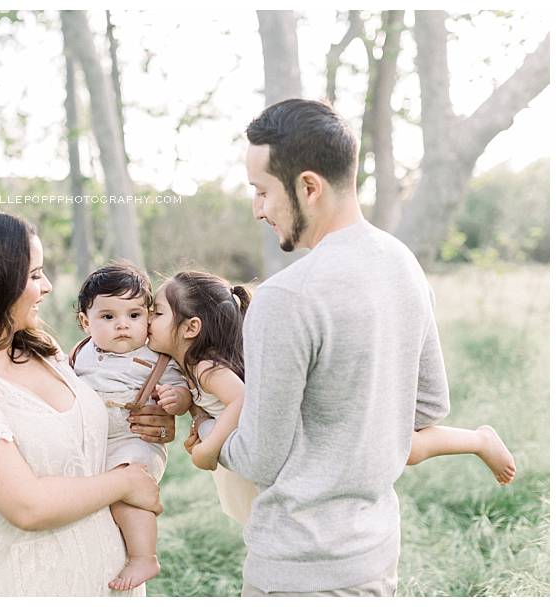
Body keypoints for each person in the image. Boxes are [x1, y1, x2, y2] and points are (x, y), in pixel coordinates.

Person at [184, 99, 515, 597]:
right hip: (376, 561)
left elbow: (258, 459)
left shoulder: (285, 297)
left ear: (308, 187)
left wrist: (206, 431)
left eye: (262, 191)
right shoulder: (401, 264)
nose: (258, 209)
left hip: (299, 573)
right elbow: (429, 406)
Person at [0, 207, 176, 596]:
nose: (46, 287)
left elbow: (90, 437)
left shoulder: (44, 351)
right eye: (34, 275)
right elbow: (27, 507)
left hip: (107, 581)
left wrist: (153, 422)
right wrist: (126, 481)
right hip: (22, 585)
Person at [70, 263, 193, 591]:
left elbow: (182, 389)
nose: (122, 325)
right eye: (108, 317)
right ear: (86, 322)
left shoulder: (156, 357)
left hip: (134, 439)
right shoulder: (80, 354)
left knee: (127, 488)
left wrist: (174, 399)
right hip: (96, 442)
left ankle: (144, 556)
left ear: (149, 317)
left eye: (134, 316)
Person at [144, 271, 260, 527]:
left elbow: (241, 399)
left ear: (191, 328)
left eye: (158, 313)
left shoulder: (206, 367)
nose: (148, 319)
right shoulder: (189, 364)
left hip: (250, 465)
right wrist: (199, 418)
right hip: (236, 468)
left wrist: (208, 448)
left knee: (262, 527)